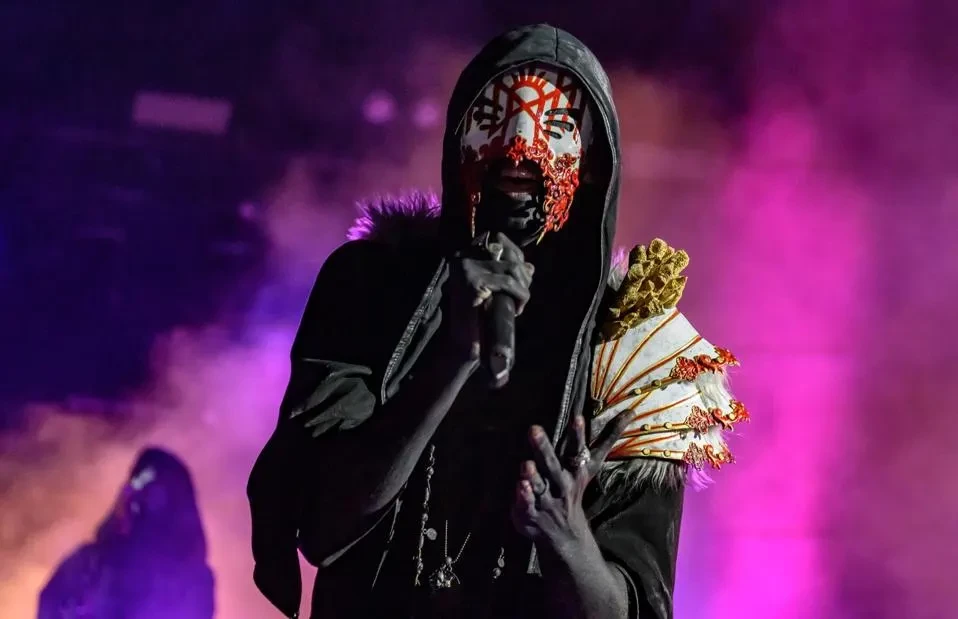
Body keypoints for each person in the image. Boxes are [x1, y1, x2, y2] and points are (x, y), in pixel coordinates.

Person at [248, 23, 749, 619]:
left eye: (555, 126)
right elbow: (322, 529)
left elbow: (637, 607)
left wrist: (568, 539)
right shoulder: (370, 285)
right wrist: (451, 356)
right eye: (492, 118)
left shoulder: (634, 350)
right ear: (457, 139)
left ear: (593, 164)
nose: (520, 146)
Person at [38, 447, 215, 619]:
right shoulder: (87, 564)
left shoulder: (193, 580)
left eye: (157, 492)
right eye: (138, 484)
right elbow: (51, 605)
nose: (144, 498)